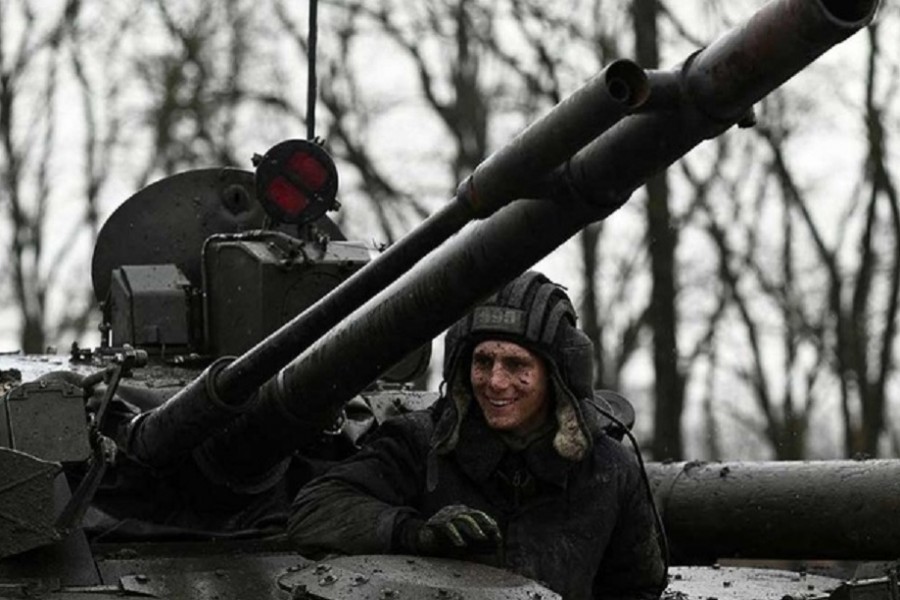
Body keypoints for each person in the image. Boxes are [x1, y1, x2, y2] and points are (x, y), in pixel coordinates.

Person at [288, 271, 666, 600]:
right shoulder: (424, 443)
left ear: (558, 375)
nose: (496, 382)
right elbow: (314, 510)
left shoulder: (608, 469)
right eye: (483, 362)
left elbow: (637, 588)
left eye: (517, 364)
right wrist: (417, 534)